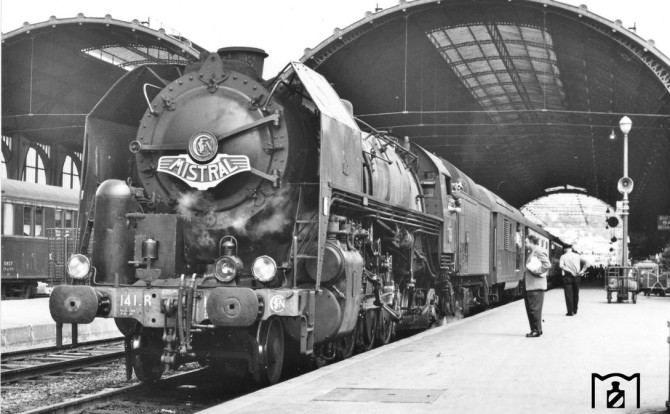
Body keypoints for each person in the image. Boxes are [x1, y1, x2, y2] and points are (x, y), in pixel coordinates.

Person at [523, 235, 551, 338]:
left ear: (531, 242)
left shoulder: (539, 251)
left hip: (535, 286)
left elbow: (547, 265)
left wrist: (536, 271)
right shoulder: (534, 252)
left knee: (534, 309)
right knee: (532, 309)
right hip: (531, 285)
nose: (525, 245)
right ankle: (537, 329)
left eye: (526, 242)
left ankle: (536, 331)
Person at [559, 244, 587, 316]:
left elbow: (561, 266)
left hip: (568, 277)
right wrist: (582, 271)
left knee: (568, 295)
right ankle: (575, 310)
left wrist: (570, 271)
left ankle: (570, 312)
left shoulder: (563, 256)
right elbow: (587, 263)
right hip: (577, 276)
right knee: (576, 294)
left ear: (565, 249)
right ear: (571, 249)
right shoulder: (578, 256)